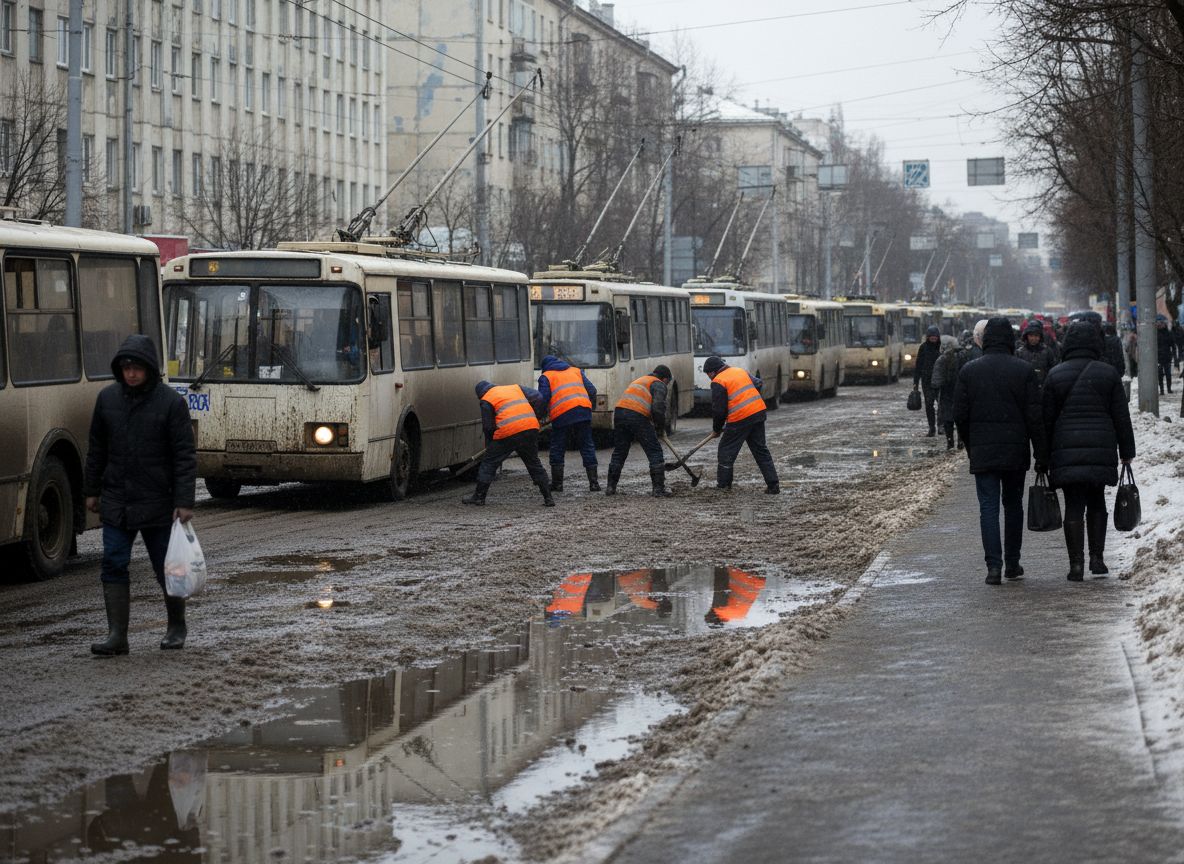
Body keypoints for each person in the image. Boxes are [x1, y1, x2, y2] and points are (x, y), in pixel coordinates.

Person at [84, 334, 197, 655]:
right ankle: (117, 636)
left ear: (149, 368)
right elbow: (97, 449)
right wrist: (91, 490)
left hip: (158, 503)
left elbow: (184, 455)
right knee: (113, 564)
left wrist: (184, 501)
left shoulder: (170, 403)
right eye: (125, 367)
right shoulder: (107, 400)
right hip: (117, 502)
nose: (131, 373)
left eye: (137, 368)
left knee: (168, 568)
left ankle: (176, 626)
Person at [953, 317, 1047, 585]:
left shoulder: (969, 371)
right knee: (1013, 506)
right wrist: (1041, 454)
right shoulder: (1024, 370)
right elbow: (1035, 417)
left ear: (984, 340)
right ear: (1009, 339)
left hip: (983, 451)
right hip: (1015, 451)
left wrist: (972, 445)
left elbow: (960, 414)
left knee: (988, 507)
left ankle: (993, 567)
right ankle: (1013, 563)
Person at [1042, 322, 1136, 581]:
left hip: (1066, 449)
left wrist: (1043, 455)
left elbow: (1046, 421)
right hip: (1100, 447)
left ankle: (1076, 565)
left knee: (1073, 504)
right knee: (1096, 501)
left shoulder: (1055, 374)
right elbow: (1121, 417)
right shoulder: (1108, 374)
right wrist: (1127, 451)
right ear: (1097, 342)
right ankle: (1097, 558)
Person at [462, 380, 553, 507]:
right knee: (533, 463)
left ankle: (479, 497)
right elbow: (538, 397)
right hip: (530, 427)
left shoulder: (486, 399)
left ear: (481, 394)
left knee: (489, 463)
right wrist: (537, 416)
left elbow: (488, 427)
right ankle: (548, 498)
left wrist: (490, 446)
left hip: (508, 432)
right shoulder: (514, 388)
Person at [704, 355, 780, 493]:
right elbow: (758, 383)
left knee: (725, 451)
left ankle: (724, 485)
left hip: (740, 418)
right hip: (758, 413)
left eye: (708, 374)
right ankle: (773, 485)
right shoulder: (740, 371)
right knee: (761, 451)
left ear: (713, 371)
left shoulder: (718, 381)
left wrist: (717, 428)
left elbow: (719, 410)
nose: (709, 377)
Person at [606, 365, 673, 497]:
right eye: (668, 382)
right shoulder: (659, 384)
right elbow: (658, 408)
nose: (667, 385)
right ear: (665, 379)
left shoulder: (640, 380)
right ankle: (658, 489)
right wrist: (660, 428)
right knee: (654, 451)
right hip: (637, 415)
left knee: (620, 451)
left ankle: (610, 487)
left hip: (619, 413)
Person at [537, 355, 599, 492]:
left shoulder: (546, 376)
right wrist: (591, 407)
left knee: (558, 447)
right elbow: (593, 390)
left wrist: (539, 417)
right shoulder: (576, 370)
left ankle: (557, 484)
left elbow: (543, 399)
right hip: (583, 412)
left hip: (562, 414)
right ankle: (594, 483)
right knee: (587, 446)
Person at [931, 331, 973, 449]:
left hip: (946, 392)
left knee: (948, 418)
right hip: (960, 391)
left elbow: (936, 378)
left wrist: (936, 389)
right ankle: (960, 441)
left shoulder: (942, 359)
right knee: (959, 417)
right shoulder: (963, 356)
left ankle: (950, 441)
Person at [912, 325, 943, 436]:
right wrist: (915, 383)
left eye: (935, 336)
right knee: (929, 405)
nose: (933, 338)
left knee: (942, 405)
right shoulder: (923, 348)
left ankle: (941, 426)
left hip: (940, 382)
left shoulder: (942, 348)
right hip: (927, 382)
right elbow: (918, 366)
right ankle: (932, 428)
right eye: (931, 336)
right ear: (928, 337)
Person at [1015, 320, 1058, 386]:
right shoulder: (1020, 352)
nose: (1033, 338)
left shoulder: (1047, 351)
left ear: (1040, 337)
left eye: (1036, 336)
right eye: (1031, 335)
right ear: (1027, 336)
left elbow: (1052, 369)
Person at [1156, 315, 1179, 394]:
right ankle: (1162, 390)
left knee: (1168, 374)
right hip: (1158, 357)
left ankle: (1169, 389)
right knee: (1160, 374)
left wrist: (1175, 358)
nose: (1159, 324)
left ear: (1164, 323)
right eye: (1158, 323)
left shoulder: (1169, 333)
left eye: (1160, 323)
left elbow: (1173, 346)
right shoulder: (1154, 334)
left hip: (1167, 357)